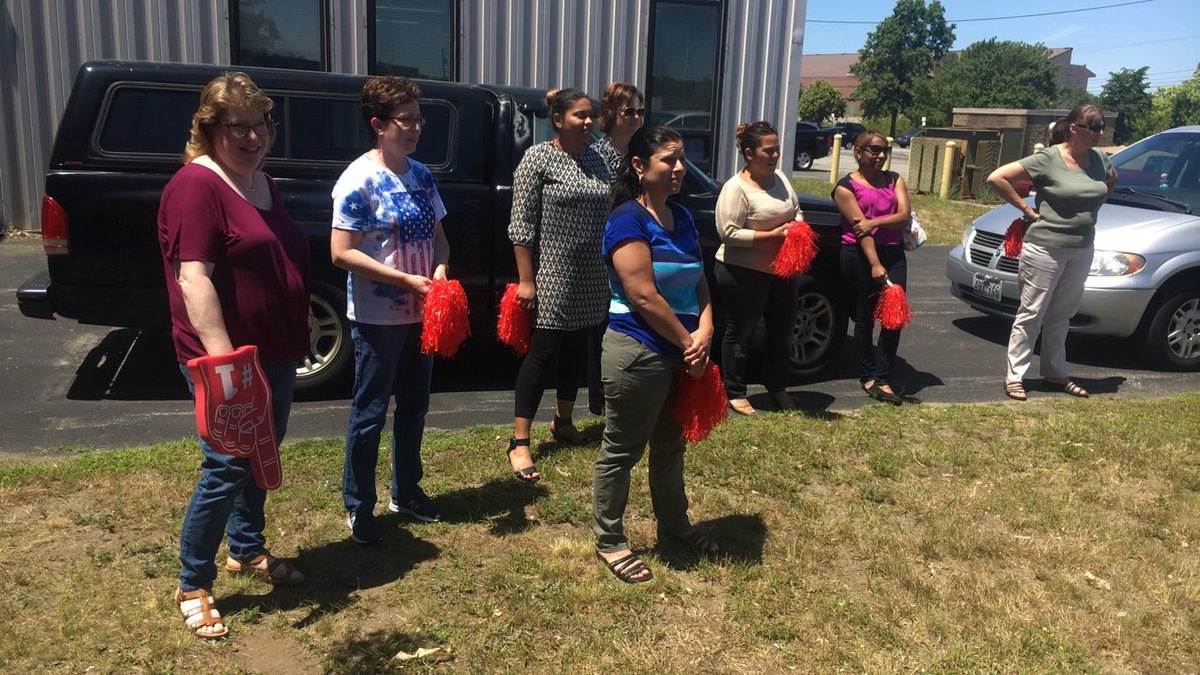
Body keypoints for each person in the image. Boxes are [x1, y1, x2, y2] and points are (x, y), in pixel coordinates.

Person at [158, 72, 310, 639]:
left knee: (257, 455)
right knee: (225, 467)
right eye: (237, 127)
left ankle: (245, 550)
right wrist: (227, 367)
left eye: (260, 125)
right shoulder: (197, 185)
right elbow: (194, 278)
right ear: (209, 129)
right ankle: (192, 582)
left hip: (273, 351)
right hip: (225, 360)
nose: (252, 137)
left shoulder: (259, 180)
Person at [592, 124, 716, 584]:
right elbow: (641, 295)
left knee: (670, 447)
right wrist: (690, 345)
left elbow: (700, 280)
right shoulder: (627, 219)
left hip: (685, 353)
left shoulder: (680, 216)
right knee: (621, 450)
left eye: (682, 158)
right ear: (640, 166)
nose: (680, 167)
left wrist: (705, 329)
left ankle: (675, 527)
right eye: (669, 159)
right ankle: (610, 541)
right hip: (639, 352)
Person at [331, 75, 450, 544]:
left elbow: (440, 238)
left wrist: (439, 273)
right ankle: (359, 506)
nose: (416, 127)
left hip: (423, 315)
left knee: (415, 407)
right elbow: (341, 252)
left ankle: (407, 491)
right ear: (378, 124)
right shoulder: (359, 179)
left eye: (419, 118)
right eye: (407, 119)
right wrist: (404, 280)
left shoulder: (421, 175)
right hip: (378, 319)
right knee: (370, 411)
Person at [506, 88, 612, 480]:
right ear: (557, 120)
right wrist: (526, 279)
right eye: (579, 116)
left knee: (578, 347)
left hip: (592, 274)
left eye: (591, 116)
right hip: (551, 272)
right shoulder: (538, 158)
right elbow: (520, 226)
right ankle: (519, 441)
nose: (588, 122)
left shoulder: (599, 157)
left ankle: (563, 420)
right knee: (543, 352)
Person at [988, 104, 1115, 401]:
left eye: (1101, 128)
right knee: (1032, 312)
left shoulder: (1099, 159)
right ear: (1074, 128)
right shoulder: (1049, 158)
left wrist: (1089, 209)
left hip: (1081, 246)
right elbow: (997, 177)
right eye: (1093, 128)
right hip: (1045, 246)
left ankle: (1056, 373)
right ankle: (1014, 376)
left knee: (1062, 314)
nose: (1099, 134)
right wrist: (1026, 209)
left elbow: (1110, 183)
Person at [713, 121, 802, 415]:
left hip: (782, 271)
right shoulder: (735, 188)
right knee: (741, 332)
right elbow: (728, 233)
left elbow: (796, 208)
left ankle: (777, 386)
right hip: (742, 271)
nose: (775, 154)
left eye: (777, 148)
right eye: (769, 149)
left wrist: (799, 225)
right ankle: (735, 390)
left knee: (782, 330)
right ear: (749, 153)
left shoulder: (780, 179)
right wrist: (772, 236)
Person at [833, 130, 915, 405]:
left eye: (884, 150)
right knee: (865, 315)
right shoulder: (845, 188)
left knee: (894, 315)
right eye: (874, 150)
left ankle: (884, 376)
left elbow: (904, 217)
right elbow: (860, 231)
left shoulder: (894, 179)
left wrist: (875, 222)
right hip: (859, 254)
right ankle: (868, 375)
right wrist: (875, 264)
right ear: (858, 152)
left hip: (893, 253)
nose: (880, 155)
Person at [593, 82, 645, 175]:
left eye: (640, 111)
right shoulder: (596, 154)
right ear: (611, 113)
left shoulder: (644, 151)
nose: (637, 117)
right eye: (629, 111)